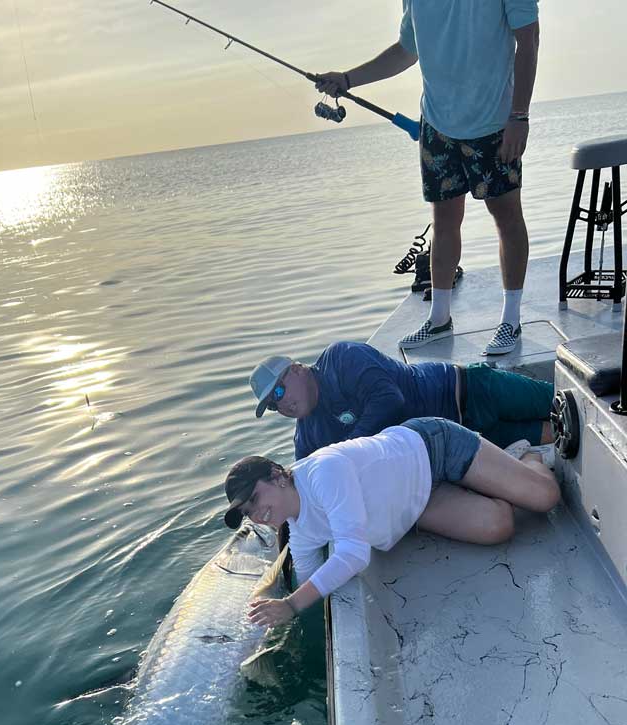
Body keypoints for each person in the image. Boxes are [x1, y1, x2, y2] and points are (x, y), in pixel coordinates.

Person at [313, 2, 540, 356]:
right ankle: (439, 319)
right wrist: (346, 80)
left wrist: (520, 115)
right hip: (437, 124)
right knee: (444, 221)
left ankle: (510, 320)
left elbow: (528, 40)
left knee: (507, 218)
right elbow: (407, 50)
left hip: (494, 122)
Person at [221, 416, 560, 626]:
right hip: (418, 502)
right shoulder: (300, 529)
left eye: (255, 499)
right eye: (248, 512)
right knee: (498, 526)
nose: (257, 513)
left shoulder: (323, 471)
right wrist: (274, 617)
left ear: (278, 476)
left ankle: (526, 457)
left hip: (433, 447)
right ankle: (486, 478)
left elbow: (353, 556)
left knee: (546, 498)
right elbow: (310, 581)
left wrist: (291, 606)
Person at [250, 340, 555, 459]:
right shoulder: (308, 435)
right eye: (273, 406)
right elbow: (304, 481)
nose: (282, 404)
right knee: (554, 432)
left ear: (298, 369)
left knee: (563, 402)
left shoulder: (341, 358)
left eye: (278, 391)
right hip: (464, 440)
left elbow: (389, 400)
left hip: (468, 390)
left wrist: (343, 451)